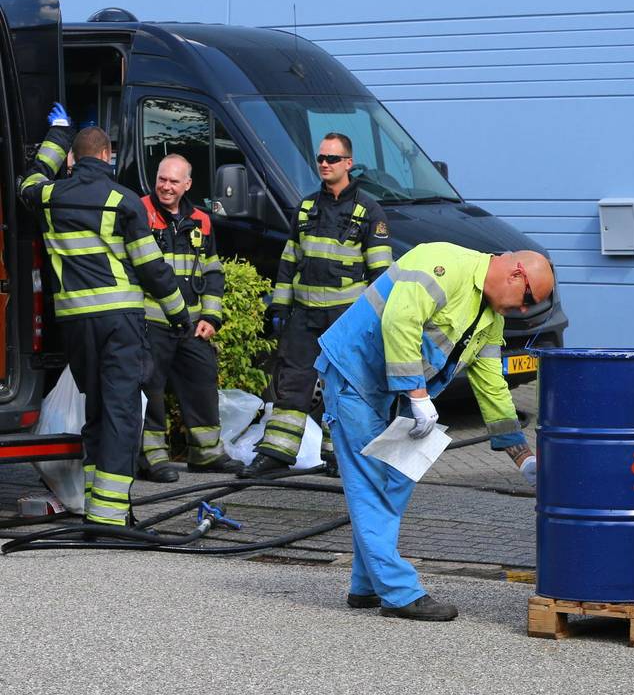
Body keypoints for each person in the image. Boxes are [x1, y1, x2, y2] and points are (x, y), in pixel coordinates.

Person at [315, 243, 551, 620]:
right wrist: (418, 394)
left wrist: (521, 456)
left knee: (396, 478)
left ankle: (366, 585)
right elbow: (399, 322)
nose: (523, 309)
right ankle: (399, 592)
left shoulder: (491, 318)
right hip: (353, 374)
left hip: (391, 388)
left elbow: (491, 385)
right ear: (516, 274)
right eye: (527, 299)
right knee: (372, 481)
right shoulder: (442, 264)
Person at [19, 104, 191, 526]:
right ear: (109, 156)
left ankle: (96, 504)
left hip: (75, 324)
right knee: (121, 411)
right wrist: (179, 315)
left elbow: (31, 179)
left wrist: (57, 133)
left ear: (74, 159)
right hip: (120, 321)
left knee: (96, 409)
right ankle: (110, 518)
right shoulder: (123, 200)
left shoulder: (48, 196)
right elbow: (153, 269)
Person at [241, 132, 393, 478]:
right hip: (304, 317)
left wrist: (371, 323)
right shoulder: (307, 207)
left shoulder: (369, 212)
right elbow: (288, 261)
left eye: (332, 159)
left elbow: (381, 276)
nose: (324, 164)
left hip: (345, 320)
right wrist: (280, 308)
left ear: (348, 164)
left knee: (342, 388)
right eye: (321, 158)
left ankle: (339, 458)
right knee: (292, 384)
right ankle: (277, 454)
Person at [136, 154, 244, 481]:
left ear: (187, 185)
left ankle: (206, 454)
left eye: (173, 181)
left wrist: (211, 317)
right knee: (150, 390)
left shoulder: (202, 220)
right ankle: (151, 458)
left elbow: (213, 272)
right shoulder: (138, 212)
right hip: (150, 322)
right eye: (161, 179)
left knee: (202, 382)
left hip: (191, 325)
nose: (166, 187)